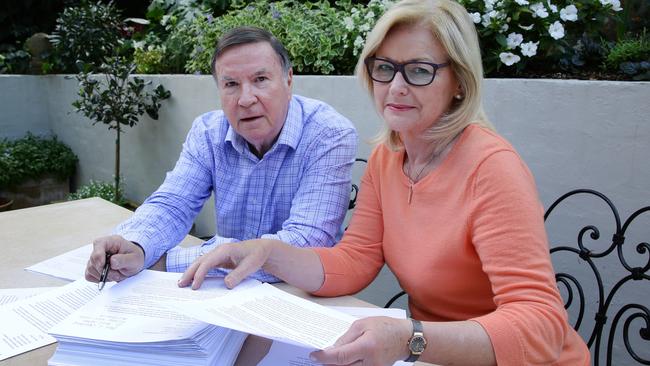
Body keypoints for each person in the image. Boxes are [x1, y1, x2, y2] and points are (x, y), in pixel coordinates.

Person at [178, 0, 591, 365]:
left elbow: (541, 326)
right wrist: (268, 252)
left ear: (460, 83)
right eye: (385, 68)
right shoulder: (389, 156)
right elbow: (356, 261)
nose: (395, 87)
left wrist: (410, 339)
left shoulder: (492, 168)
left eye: (419, 71)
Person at [85, 26, 358, 285]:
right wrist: (136, 245)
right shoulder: (208, 132)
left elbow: (307, 242)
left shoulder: (329, 134)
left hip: (300, 296)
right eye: (231, 84)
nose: (246, 99)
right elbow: (172, 204)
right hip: (224, 293)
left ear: (288, 80)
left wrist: (166, 262)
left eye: (260, 80)